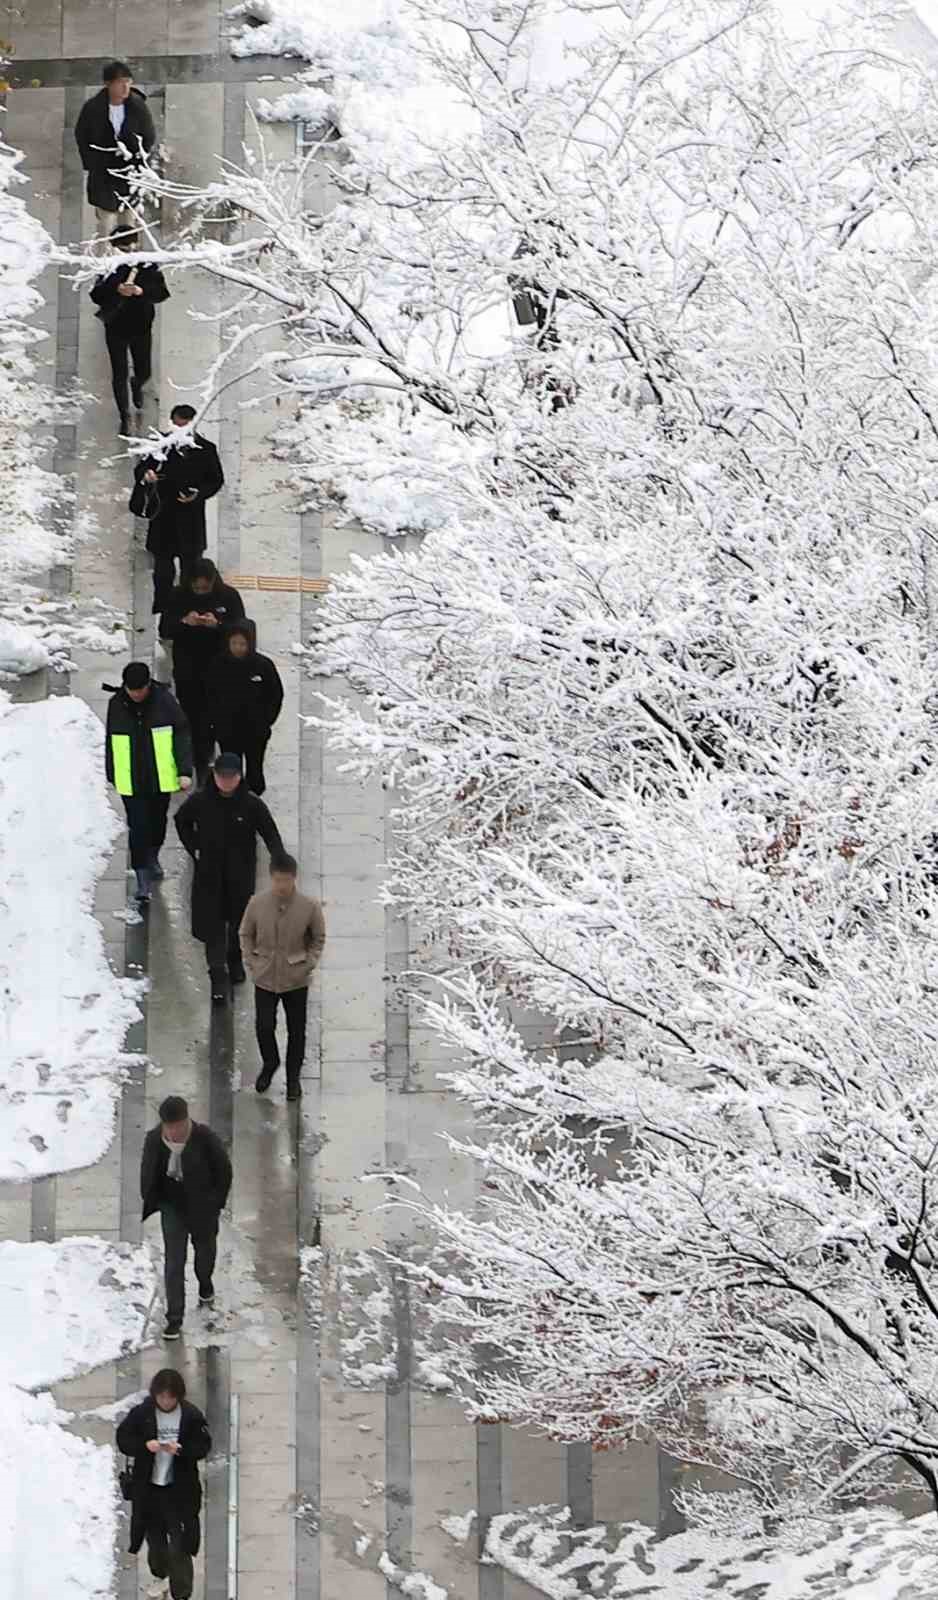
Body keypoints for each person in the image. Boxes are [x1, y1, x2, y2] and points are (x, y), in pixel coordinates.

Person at [175, 753, 284, 1004]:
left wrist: (280, 861)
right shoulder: (201, 802)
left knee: (238, 923)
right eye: (221, 777)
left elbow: (269, 832)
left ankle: (234, 960)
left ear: (239, 777)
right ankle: (217, 976)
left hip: (239, 877)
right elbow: (182, 821)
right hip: (209, 877)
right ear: (214, 776)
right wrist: (195, 848)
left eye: (231, 777)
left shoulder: (251, 804)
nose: (226, 782)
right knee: (212, 928)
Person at [140, 1095, 232, 1340]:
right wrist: (153, 1198)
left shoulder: (205, 1138)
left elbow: (224, 1172)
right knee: (174, 1262)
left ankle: (205, 1283)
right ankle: (174, 1318)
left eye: (179, 1126)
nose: (175, 1132)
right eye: (170, 1127)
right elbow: (148, 1171)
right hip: (173, 1208)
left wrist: (215, 1204)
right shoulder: (154, 1140)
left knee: (204, 1254)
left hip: (202, 1209)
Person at [116, 1368, 211, 1600]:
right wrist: (144, 1446)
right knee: (155, 1540)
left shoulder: (191, 1416)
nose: (165, 1401)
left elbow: (203, 1446)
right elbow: (124, 1439)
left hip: (179, 1492)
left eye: (170, 1397)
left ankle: (182, 1592)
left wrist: (182, 1450)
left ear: (178, 1396)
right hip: (149, 1490)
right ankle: (160, 1575)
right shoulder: (142, 1413)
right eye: (161, 1396)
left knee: (180, 1545)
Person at [239, 852, 325, 1101]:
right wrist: (252, 962)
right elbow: (246, 933)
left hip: (295, 979)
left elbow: (318, 937)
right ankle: (270, 1062)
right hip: (265, 976)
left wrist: (308, 963)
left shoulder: (309, 907)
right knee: (264, 1026)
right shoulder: (257, 904)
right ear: (271, 878)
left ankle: (293, 1079)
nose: (281, 885)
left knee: (297, 1032)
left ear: (294, 879)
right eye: (277, 880)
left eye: (286, 880)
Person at [105, 662, 193, 903]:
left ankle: (152, 854)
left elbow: (182, 733)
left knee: (156, 822)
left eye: (139, 690)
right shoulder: (117, 704)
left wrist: (184, 770)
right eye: (131, 690)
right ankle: (142, 875)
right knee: (138, 825)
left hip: (159, 777)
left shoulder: (164, 701)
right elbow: (111, 739)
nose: (135, 695)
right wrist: (112, 771)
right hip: (130, 778)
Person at [134, 408, 225, 616]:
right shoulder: (161, 446)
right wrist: (147, 475)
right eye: (177, 425)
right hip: (163, 517)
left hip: (191, 519)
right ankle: (164, 607)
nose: (181, 430)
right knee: (163, 570)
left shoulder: (206, 449)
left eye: (185, 425)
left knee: (191, 569)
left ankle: (188, 606)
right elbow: (140, 469)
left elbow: (215, 480)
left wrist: (198, 494)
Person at [159, 560, 245, 779]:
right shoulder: (178, 596)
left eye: (204, 588)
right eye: (196, 588)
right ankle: (200, 762)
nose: (200, 592)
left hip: (221, 670)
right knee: (192, 719)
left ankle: (227, 764)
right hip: (189, 669)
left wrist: (218, 625)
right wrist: (184, 622)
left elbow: (242, 630)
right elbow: (165, 629)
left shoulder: (229, 597)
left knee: (222, 717)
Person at [90, 227, 170, 433]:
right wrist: (116, 289)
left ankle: (137, 383)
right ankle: (124, 413)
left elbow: (161, 293)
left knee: (145, 370)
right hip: (115, 325)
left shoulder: (147, 265)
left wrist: (140, 291)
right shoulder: (109, 266)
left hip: (141, 325)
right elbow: (96, 295)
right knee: (119, 372)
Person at [75, 60, 156, 239]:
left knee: (129, 222)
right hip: (103, 171)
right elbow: (82, 136)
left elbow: (148, 135)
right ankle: (105, 262)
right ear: (108, 84)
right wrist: (92, 163)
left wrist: (139, 161)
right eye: (120, 82)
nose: (125, 86)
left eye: (128, 81)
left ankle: (128, 262)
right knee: (105, 223)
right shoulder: (93, 108)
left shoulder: (138, 106)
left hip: (130, 171)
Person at [205, 619, 284, 796]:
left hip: (256, 730)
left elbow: (275, 694)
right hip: (228, 730)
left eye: (242, 644)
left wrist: (266, 720)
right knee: (232, 766)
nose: (238, 648)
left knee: (255, 766)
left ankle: (255, 794)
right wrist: (215, 723)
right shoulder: (218, 665)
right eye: (234, 643)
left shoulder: (263, 666)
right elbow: (209, 695)